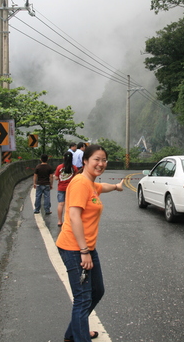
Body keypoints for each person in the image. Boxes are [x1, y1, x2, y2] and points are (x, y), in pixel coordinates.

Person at [56, 144, 123, 342]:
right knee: (83, 297)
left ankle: (74, 332)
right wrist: (84, 251)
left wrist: (118, 187)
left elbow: (102, 187)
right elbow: (75, 217)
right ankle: (80, 336)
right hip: (75, 247)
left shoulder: (90, 183)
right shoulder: (80, 183)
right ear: (85, 160)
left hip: (86, 247)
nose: (101, 163)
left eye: (104, 160)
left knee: (96, 291)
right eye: (96, 159)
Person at [54, 151, 78, 226]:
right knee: (70, 205)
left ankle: (59, 221)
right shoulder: (74, 168)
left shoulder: (59, 167)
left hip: (61, 188)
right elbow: (76, 178)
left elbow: (56, 178)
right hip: (71, 188)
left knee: (61, 204)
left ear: (63, 158)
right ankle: (68, 220)